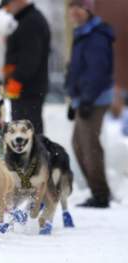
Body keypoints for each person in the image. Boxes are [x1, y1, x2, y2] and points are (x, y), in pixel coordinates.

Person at [66, 0, 114, 208]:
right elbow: (77, 69)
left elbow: (97, 72)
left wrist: (85, 100)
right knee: (79, 144)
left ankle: (101, 194)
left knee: (89, 146)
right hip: (83, 98)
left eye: (79, 8)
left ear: (88, 10)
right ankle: (98, 191)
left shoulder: (95, 36)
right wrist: (74, 100)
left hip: (94, 99)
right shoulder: (82, 32)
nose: (74, 12)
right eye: (71, 8)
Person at [0, 0, 50, 134]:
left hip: (28, 90)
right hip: (24, 90)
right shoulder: (24, 21)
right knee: (22, 131)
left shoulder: (31, 22)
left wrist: (16, 80)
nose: (6, 10)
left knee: (28, 132)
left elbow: (30, 58)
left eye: (7, 5)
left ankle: (35, 155)